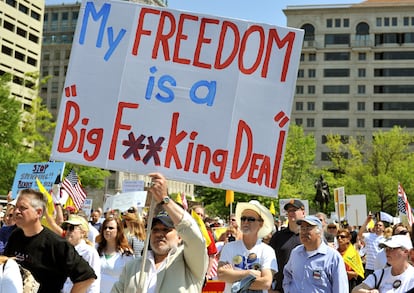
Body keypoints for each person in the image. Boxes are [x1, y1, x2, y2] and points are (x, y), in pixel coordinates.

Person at [111, 172, 208, 293]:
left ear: (180, 236)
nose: (159, 234)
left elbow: (195, 238)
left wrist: (165, 199)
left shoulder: (191, 263)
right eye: (155, 229)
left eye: (166, 229)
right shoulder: (133, 267)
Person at [4, 188, 96, 293]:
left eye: (22, 208)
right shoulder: (15, 236)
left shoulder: (57, 244)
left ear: (38, 212)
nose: (16, 211)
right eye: (15, 207)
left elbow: (87, 276)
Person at [218, 200, 278, 293]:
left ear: (260, 223)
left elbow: (266, 283)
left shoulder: (267, 251)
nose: (246, 222)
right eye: (243, 218)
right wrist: (249, 273)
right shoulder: (229, 247)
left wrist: (233, 275)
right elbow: (222, 275)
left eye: (251, 219)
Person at [283, 215, 349, 293]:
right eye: (302, 228)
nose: (304, 232)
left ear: (319, 232)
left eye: (308, 228)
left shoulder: (332, 257)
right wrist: (288, 289)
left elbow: (341, 289)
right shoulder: (296, 253)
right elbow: (287, 273)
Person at [269, 199, 305, 293]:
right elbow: (269, 262)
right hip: (281, 288)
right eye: (289, 211)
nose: (291, 213)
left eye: (294, 210)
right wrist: (269, 289)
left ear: (303, 212)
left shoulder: (309, 235)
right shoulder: (277, 236)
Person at [61, 214, 101, 293]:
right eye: (66, 228)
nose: (68, 231)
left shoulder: (89, 252)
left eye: (71, 228)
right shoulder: (62, 249)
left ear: (83, 233)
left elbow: (94, 283)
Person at [96, 215, 134, 293]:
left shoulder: (126, 254)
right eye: (105, 227)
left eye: (111, 228)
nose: (107, 230)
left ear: (118, 231)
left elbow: (130, 280)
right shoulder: (96, 249)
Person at [192, 205, 218, 280]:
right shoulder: (184, 231)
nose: (199, 216)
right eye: (197, 214)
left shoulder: (207, 234)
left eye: (201, 215)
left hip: (201, 273)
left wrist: (207, 274)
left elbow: (211, 255)